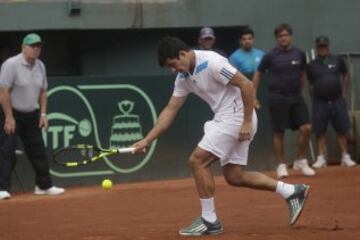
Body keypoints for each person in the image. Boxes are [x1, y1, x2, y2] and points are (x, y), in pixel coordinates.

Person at [132, 36, 310, 236]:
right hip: (228, 118)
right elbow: (170, 110)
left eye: (173, 65)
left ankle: (209, 220)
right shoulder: (183, 78)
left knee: (197, 161)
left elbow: (247, 85)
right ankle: (292, 191)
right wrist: (148, 139)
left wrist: (247, 122)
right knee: (235, 176)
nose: (173, 70)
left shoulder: (212, 62)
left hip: (236, 117)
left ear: (182, 54)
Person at [0, 33, 65, 200]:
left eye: (38, 46)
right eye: (32, 46)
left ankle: (44, 186)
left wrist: (43, 113)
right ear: (23, 47)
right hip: (11, 113)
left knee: (38, 151)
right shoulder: (11, 64)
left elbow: (43, 91)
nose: (36, 49)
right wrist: (9, 117)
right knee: (7, 151)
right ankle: (2, 188)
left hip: (31, 115)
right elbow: (4, 92)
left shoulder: (40, 66)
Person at [252, 23, 315, 178]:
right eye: (280, 36)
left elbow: (303, 74)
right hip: (277, 98)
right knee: (279, 132)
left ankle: (301, 160)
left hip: (295, 96)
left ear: (290, 37)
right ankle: (281, 165)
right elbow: (258, 74)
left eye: (286, 35)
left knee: (306, 128)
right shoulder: (270, 56)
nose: (283, 38)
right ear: (277, 38)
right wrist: (253, 97)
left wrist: (298, 90)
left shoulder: (300, 54)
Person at [307, 36, 356, 168]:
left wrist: (344, 93)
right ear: (317, 48)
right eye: (320, 47)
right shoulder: (311, 65)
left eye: (325, 46)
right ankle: (321, 158)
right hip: (320, 102)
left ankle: (345, 156)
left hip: (337, 100)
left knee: (342, 129)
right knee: (320, 131)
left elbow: (345, 75)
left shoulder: (338, 60)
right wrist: (315, 97)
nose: (323, 49)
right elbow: (310, 84)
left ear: (328, 46)